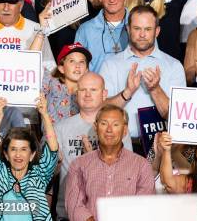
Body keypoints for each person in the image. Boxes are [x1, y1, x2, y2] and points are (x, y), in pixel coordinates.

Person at [99, 5, 185, 152]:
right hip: (121, 147)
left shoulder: (174, 66)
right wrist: (127, 92)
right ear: (128, 29)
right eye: (137, 28)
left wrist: (155, 89)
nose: (142, 34)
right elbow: (101, 110)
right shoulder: (110, 65)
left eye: (148, 29)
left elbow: (178, 118)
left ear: (157, 31)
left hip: (160, 148)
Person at [54, 72, 132, 221]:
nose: (87, 94)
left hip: (108, 212)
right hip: (68, 213)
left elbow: (127, 171)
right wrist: (55, 163)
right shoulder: (60, 128)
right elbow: (50, 173)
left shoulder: (117, 128)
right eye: (83, 90)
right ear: (76, 94)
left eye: (93, 90)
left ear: (104, 94)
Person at [65, 105, 155, 220]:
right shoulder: (79, 164)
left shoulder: (141, 165)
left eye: (116, 124)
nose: (109, 130)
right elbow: (74, 206)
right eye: (104, 123)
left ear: (125, 130)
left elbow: (144, 206)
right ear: (95, 127)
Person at [0, 96, 59, 220]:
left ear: (32, 155)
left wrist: (44, 114)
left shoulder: (39, 175)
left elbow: (53, 149)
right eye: (13, 149)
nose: (18, 155)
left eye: (24, 149)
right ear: (6, 155)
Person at [75, 0, 129, 73]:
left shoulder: (139, 25)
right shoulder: (86, 30)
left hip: (132, 88)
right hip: (97, 88)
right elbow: (78, 71)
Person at [42, 42, 92, 123]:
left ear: (86, 70)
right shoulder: (51, 81)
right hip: (51, 134)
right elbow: (29, 65)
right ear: (61, 68)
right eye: (72, 61)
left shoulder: (90, 91)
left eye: (82, 61)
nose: (77, 65)